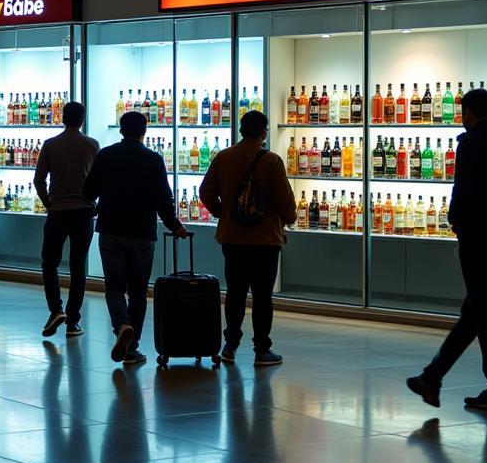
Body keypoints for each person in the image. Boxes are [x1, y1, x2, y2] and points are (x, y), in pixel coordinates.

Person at [407, 87, 487, 410]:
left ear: (468, 113)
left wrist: (456, 221)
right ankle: (431, 378)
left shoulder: (472, 144)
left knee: (484, 312)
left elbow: (462, 190)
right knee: (478, 309)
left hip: (477, 238)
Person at [82, 110, 187, 366]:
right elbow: (164, 199)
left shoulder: (105, 155)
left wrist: (99, 205)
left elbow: (88, 191)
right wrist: (175, 226)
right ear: (145, 131)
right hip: (142, 232)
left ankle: (122, 325)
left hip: (110, 229)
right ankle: (132, 348)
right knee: (138, 292)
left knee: (114, 286)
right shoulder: (153, 159)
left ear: (120, 130)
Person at [200, 109, 297, 366]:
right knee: (263, 295)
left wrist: (224, 214)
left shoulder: (224, 157)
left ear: (241, 129)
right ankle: (261, 350)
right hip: (266, 239)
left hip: (233, 238)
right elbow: (286, 202)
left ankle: (230, 346)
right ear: (264, 132)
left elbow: (206, 192)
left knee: (235, 292)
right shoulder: (272, 161)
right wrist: (289, 218)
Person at [33, 101, 100, 338]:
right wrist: (96, 205)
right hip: (83, 212)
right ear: (82, 119)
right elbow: (99, 181)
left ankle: (55, 310)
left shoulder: (50, 145)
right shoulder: (92, 145)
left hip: (58, 212)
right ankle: (73, 321)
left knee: (49, 262)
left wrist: (49, 203)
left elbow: (39, 180)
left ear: (62, 118)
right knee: (78, 266)